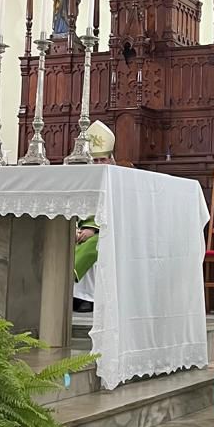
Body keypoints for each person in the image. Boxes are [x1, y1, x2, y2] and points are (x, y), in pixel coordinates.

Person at [73, 121, 116, 312]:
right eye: (95, 160)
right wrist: (73, 228)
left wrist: (93, 228)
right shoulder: (82, 180)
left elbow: (114, 209)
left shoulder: (116, 179)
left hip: (105, 230)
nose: (98, 164)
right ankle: (73, 295)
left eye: (102, 160)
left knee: (92, 246)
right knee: (68, 243)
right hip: (80, 229)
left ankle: (87, 298)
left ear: (110, 159)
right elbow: (73, 205)